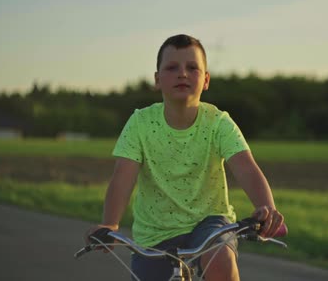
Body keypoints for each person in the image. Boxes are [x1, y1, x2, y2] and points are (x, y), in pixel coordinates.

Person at [84, 34, 284, 281]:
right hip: (154, 234)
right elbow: (122, 177)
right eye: (172, 68)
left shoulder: (218, 123)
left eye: (192, 68)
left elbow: (246, 168)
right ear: (157, 80)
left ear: (206, 79)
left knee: (220, 259)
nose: (182, 74)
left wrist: (267, 209)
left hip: (209, 225)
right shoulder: (140, 123)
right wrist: (110, 224)